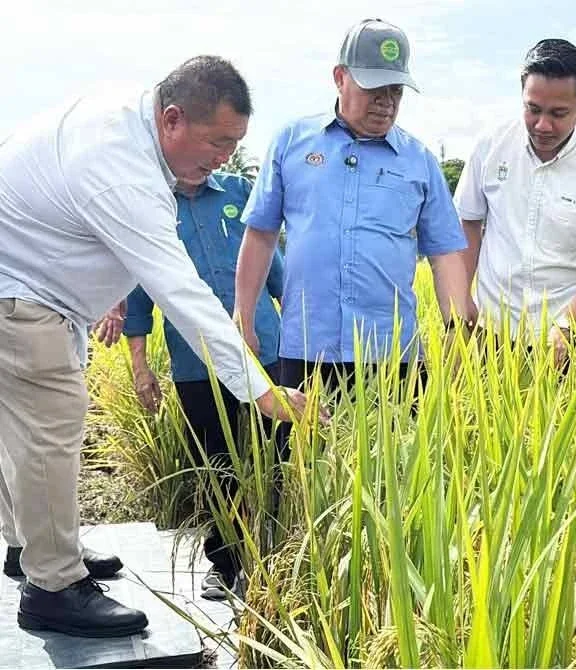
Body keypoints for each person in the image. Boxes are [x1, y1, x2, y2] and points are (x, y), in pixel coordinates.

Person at [0, 55, 315, 638]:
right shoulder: (123, 170)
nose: (225, 159)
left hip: (28, 281)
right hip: (21, 295)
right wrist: (262, 392)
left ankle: (30, 548)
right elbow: (184, 296)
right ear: (172, 119)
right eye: (218, 143)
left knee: (25, 430)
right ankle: (53, 587)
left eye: (234, 144)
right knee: (51, 428)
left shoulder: (129, 121)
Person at [235, 18, 475, 409]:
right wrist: (244, 315)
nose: (386, 102)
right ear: (340, 77)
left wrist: (454, 327)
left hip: (392, 351)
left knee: (394, 464)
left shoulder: (419, 161)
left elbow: (445, 252)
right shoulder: (292, 142)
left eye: (396, 91)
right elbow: (261, 234)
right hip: (308, 345)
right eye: (374, 89)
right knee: (308, 460)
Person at [123, 170, 284, 600]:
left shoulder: (238, 192)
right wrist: (141, 368)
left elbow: (274, 269)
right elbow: (138, 298)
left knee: (278, 462)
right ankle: (226, 564)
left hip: (264, 352)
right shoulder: (152, 203)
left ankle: (282, 560)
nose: (215, 155)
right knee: (217, 469)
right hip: (197, 366)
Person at [454, 39, 576, 367]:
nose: (543, 125)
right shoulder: (490, 147)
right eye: (533, 109)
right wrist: (460, 304)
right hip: (491, 330)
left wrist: (567, 326)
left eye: (558, 113)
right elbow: (468, 223)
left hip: (566, 334)